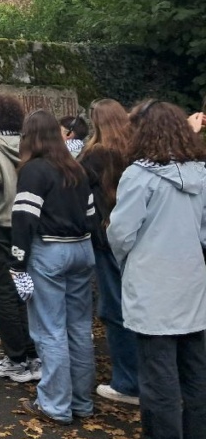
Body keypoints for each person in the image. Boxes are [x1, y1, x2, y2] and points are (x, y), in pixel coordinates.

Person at [108, 99, 206, 439]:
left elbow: (121, 232)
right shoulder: (200, 173)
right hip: (192, 280)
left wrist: (129, 261)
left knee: (158, 371)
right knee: (195, 370)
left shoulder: (138, 176)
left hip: (152, 281)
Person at [10, 109, 97, 425]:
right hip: (82, 250)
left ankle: (55, 404)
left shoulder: (34, 170)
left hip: (50, 252)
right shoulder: (77, 169)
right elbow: (91, 216)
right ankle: (82, 401)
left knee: (50, 329)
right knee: (78, 328)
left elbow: (24, 219)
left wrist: (17, 264)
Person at [78, 99, 139, 406]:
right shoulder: (137, 150)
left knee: (114, 309)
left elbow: (79, 191)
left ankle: (128, 382)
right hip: (139, 238)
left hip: (106, 236)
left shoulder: (93, 155)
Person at [0, 94, 41, 382]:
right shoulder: (31, 146)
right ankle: (34, 353)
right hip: (29, 228)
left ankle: (16, 359)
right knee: (27, 292)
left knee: (4, 293)